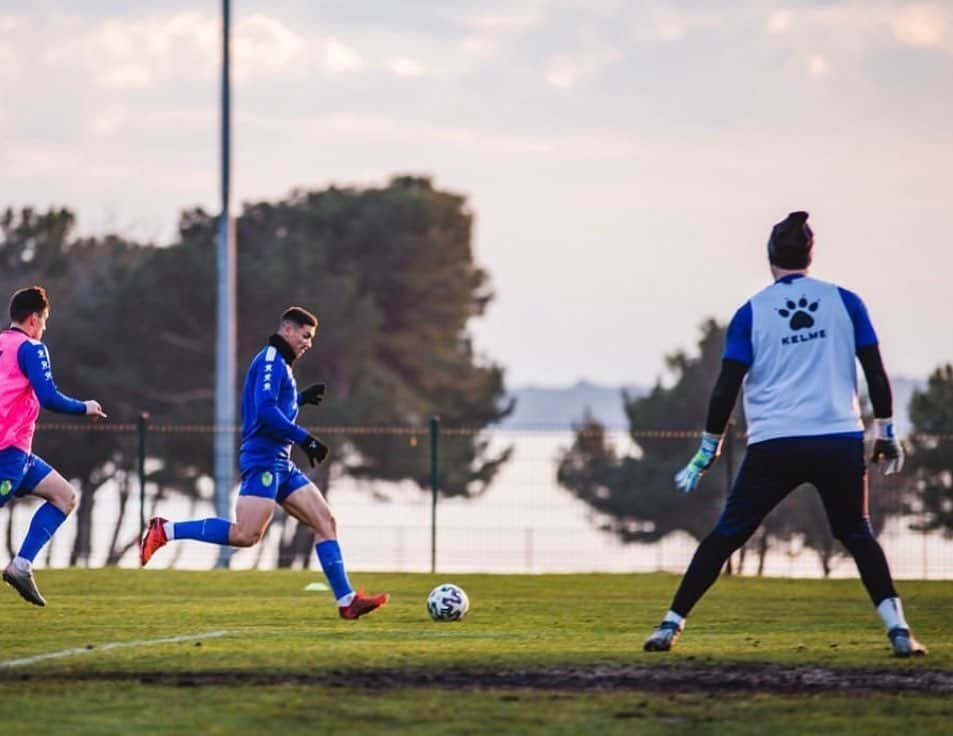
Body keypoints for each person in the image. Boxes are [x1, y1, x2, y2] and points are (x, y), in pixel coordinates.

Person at [643, 211, 926, 658]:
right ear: (810, 255)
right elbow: (874, 370)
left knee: (726, 535)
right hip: (838, 438)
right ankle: (899, 630)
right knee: (856, 533)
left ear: (770, 256)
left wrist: (707, 448)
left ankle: (669, 625)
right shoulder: (846, 302)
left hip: (775, 444)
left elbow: (726, 387)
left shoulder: (751, 312)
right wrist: (886, 431)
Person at [140, 306, 388, 619]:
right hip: (264, 459)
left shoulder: (281, 365)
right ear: (288, 330)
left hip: (281, 462)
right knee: (246, 535)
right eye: (305, 335)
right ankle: (165, 530)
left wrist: (299, 400)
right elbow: (267, 412)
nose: (308, 343)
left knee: (325, 522)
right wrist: (305, 438)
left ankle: (346, 600)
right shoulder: (272, 359)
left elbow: (273, 406)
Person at [0, 286, 107, 606]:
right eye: (44, 320)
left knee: (64, 496)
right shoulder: (32, 348)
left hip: (20, 452)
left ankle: (21, 566)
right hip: (7, 452)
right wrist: (84, 406)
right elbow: (49, 397)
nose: (45, 327)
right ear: (33, 319)